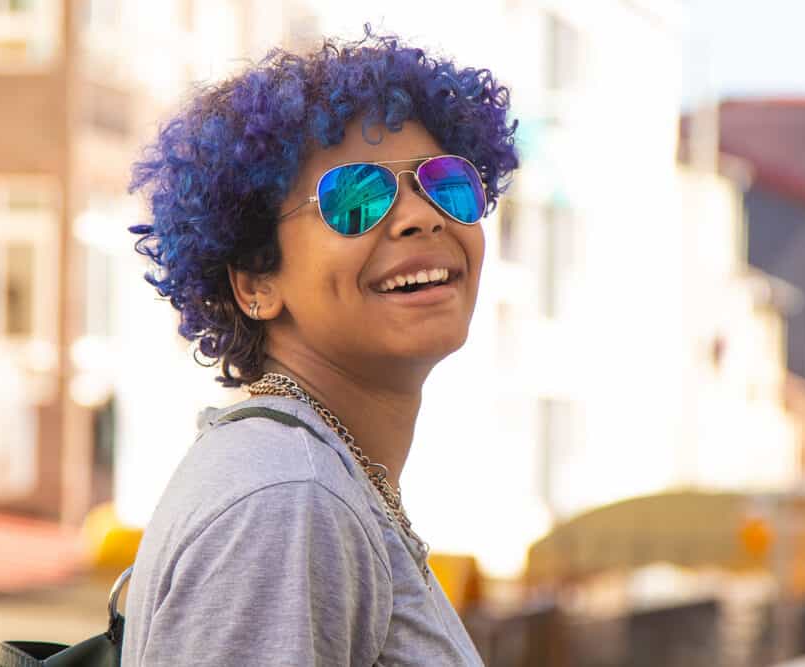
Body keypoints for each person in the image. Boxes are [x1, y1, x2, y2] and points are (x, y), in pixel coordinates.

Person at [121, 26, 518, 666]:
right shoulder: (288, 497)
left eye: (445, 182)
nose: (423, 216)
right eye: (356, 197)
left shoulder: (311, 473)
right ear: (256, 281)